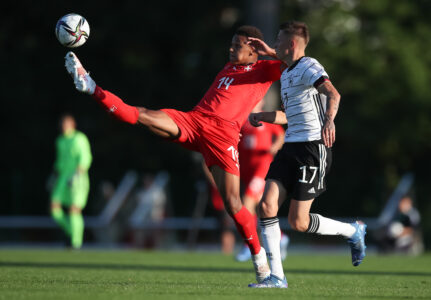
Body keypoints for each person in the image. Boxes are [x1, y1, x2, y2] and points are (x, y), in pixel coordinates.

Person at [64, 25, 283, 283]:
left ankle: (262, 267)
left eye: (238, 46)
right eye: (232, 44)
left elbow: (295, 62)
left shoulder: (265, 69)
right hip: (194, 121)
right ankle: (90, 86)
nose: (231, 48)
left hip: (222, 137)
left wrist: (270, 52)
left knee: (234, 204)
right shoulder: (229, 67)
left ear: (254, 49)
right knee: (143, 114)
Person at [246, 21, 367, 288]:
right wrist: (262, 116)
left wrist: (329, 121)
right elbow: (290, 116)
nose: (275, 44)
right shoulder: (288, 72)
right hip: (290, 147)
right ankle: (276, 277)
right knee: (266, 206)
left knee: (298, 222)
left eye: (278, 40)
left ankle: (353, 230)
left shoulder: (309, 65)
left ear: (291, 44)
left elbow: (333, 93)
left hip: (312, 149)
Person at [235, 99, 288, 262]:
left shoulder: (262, 120)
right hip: (246, 170)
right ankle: (280, 237)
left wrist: (275, 148)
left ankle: (249, 245)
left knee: (247, 203)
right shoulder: (242, 121)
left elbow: (280, 134)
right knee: (259, 210)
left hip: (262, 168)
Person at [50, 114, 92, 249]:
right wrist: (54, 176)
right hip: (62, 177)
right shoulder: (60, 141)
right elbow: (59, 161)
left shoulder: (79, 138)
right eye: (62, 123)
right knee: (54, 207)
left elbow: (85, 157)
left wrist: (77, 174)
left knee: (74, 209)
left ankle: (76, 242)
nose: (64, 126)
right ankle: (71, 232)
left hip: (77, 177)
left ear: (73, 125)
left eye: (67, 123)